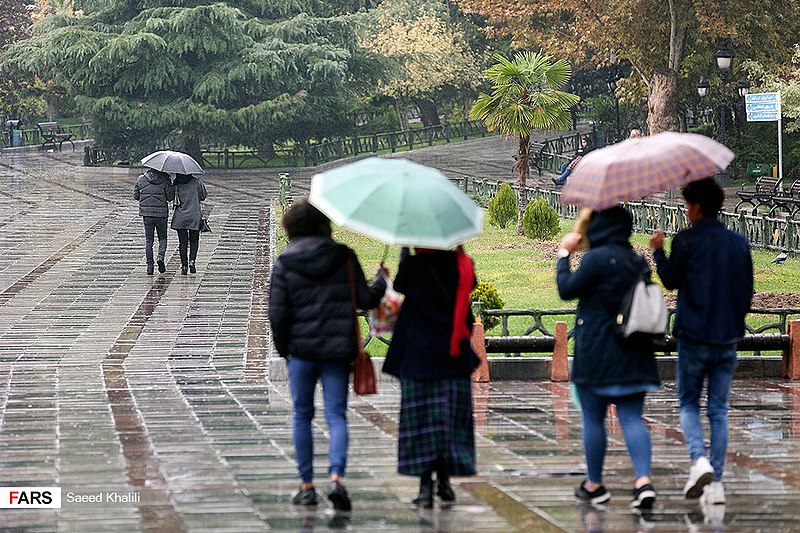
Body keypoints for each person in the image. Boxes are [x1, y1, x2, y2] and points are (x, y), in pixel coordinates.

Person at [268, 199, 386, 511]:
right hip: (336, 351)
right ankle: (336, 479)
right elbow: (365, 299)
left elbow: (277, 315)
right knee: (336, 415)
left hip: (301, 353)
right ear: (324, 224)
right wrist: (381, 281)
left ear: (291, 227)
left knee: (302, 415)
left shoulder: (284, 262)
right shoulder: (343, 256)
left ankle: (306, 486)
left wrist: (286, 351)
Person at [649, 177, 753, 505]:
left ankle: (700, 459)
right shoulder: (738, 243)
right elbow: (746, 291)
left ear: (695, 207)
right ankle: (717, 483)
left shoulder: (686, 241)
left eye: (686, 204)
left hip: (694, 336)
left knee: (689, 403)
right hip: (727, 337)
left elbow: (668, 280)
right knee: (719, 409)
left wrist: (658, 252)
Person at [556, 206, 660, 509]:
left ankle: (595, 484)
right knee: (631, 417)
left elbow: (566, 290)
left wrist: (564, 254)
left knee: (593, 419)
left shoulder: (596, 259)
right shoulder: (637, 261)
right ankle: (643, 481)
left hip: (597, 352)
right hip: (635, 352)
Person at [383, 245, 480, 509]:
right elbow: (471, 284)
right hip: (452, 357)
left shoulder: (413, 266)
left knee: (421, 425)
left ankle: (425, 489)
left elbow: (401, 283)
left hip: (419, 357)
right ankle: (445, 481)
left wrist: (404, 254)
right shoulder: (461, 265)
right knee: (448, 422)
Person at [133, 168, 174, 275]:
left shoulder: (141, 179)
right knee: (163, 238)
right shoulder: (165, 180)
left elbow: (136, 196)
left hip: (147, 214)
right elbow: (170, 197)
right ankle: (160, 257)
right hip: (161, 215)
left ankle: (150, 267)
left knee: (149, 240)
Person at [171, 173, 207, 275]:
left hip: (180, 216)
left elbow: (170, 197)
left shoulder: (176, 184)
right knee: (194, 240)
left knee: (183, 242)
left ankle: (184, 266)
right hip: (194, 215)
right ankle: (192, 261)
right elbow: (203, 196)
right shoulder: (197, 182)